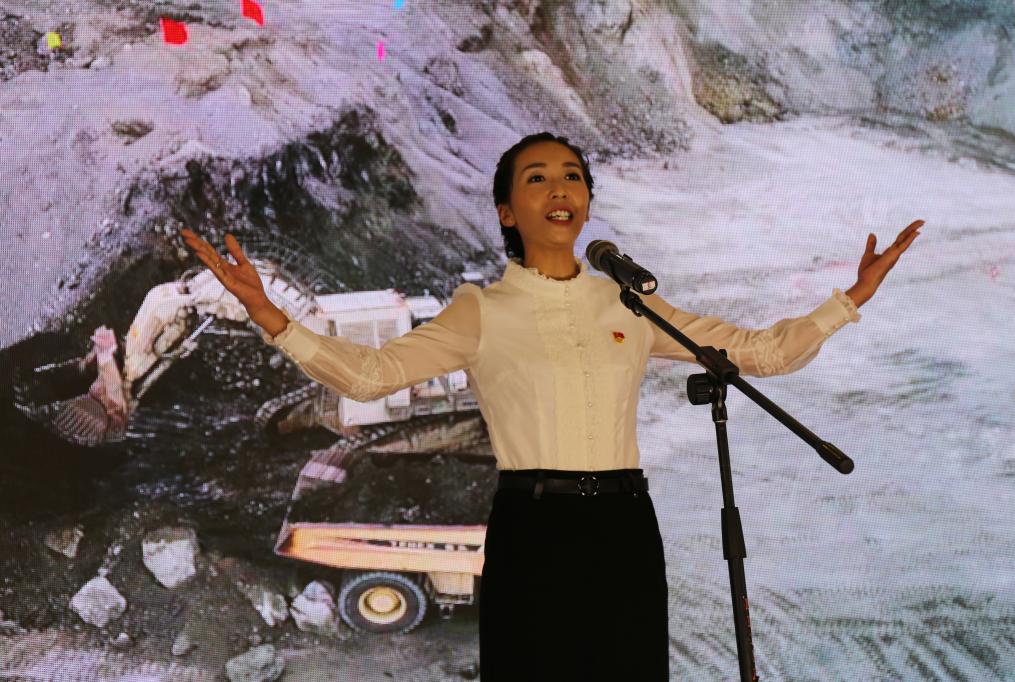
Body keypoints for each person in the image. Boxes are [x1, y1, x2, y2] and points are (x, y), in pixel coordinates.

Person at [181, 132, 923, 681]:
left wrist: (851, 298)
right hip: (533, 521)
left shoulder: (629, 304)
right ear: (507, 210)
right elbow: (372, 376)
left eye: (572, 176)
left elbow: (759, 353)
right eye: (537, 178)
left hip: (626, 522)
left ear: (588, 203)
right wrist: (270, 315)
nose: (559, 189)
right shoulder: (481, 310)